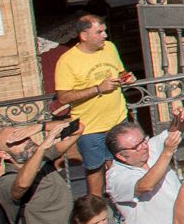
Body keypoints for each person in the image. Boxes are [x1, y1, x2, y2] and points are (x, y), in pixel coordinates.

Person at [49, 14, 133, 196]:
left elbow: (121, 71)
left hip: (119, 120)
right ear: (84, 35)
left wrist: (127, 78)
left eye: (105, 31)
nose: (105, 35)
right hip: (90, 127)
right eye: (99, 32)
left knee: (125, 164)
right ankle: (97, 211)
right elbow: (63, 98)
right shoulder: (67, 61)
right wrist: (98, 88)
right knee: (95, 170)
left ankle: (124, 203)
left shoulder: (110, 48)